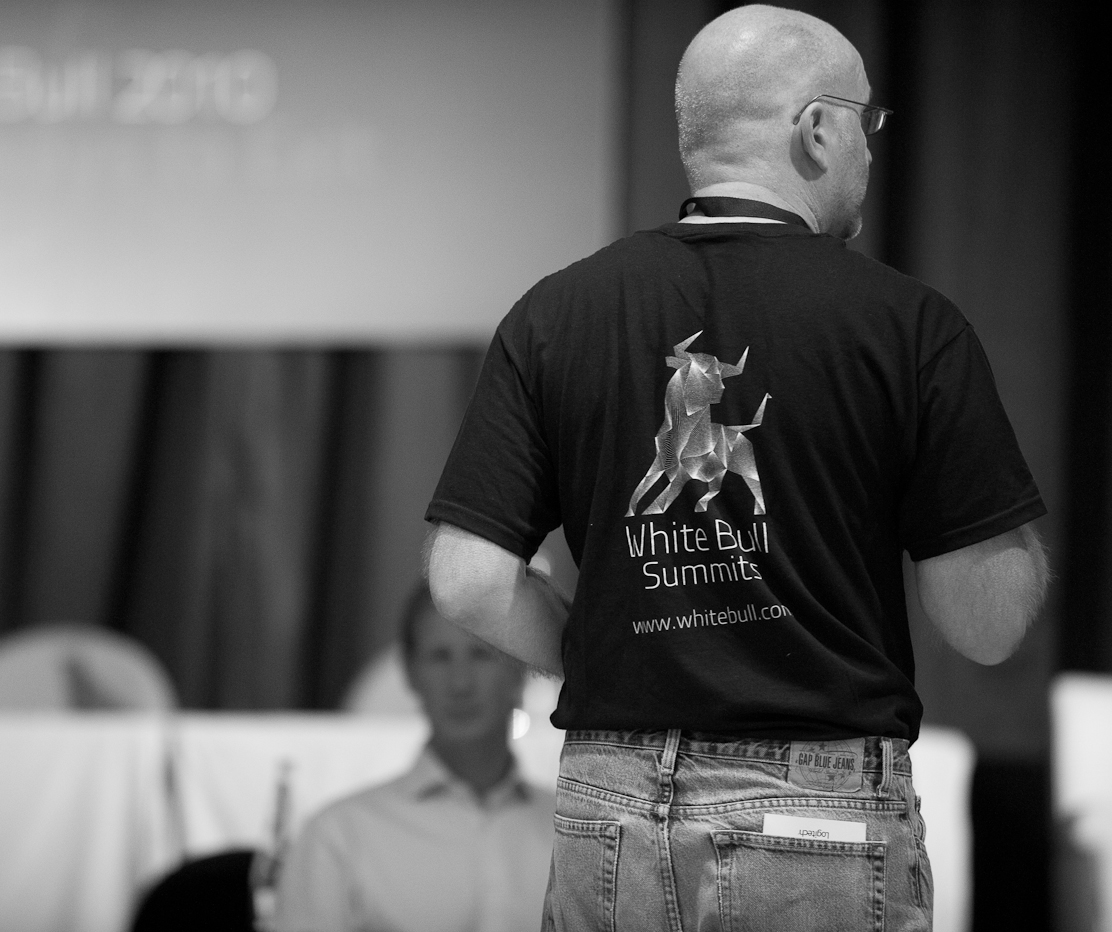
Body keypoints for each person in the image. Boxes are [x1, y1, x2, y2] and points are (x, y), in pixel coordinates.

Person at [423, 5, 1049, 931]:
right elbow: (986, 626)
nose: (869, 148)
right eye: (866, 123)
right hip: (815, 816)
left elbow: (467, 581)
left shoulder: (554, 313)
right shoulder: (909, 327)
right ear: (818, 128)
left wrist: (605, 653)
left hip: (607, 808)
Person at [272, 584, 555, 932]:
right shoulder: (339, 836)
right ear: (409, 672)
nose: (461, 683)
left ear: (521, 670)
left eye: (482, 654)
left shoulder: (569, 835)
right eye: (439, 656)